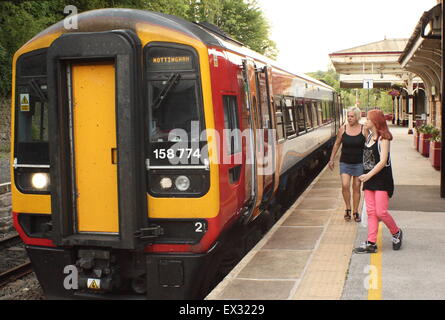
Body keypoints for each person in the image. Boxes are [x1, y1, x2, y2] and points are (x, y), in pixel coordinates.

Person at [353, 109, 403, 254]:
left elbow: (383, 161)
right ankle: (371, 243)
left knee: (381, 212)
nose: (365, 121)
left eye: (367, 119)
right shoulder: (368, 137)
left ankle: (396, 232)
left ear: (375, 122)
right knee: (371, 212)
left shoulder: (384, 139)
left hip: (381, 180)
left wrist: (367, 176)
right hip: (369, 180)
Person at [329, 107, 368, 222]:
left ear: (357, 117)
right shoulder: (343, 129)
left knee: (356, 187)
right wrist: (331, 159)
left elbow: (370, 145)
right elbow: (336, 144)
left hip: (359, 163)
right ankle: (348, 208)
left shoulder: (363, 129)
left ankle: (355, 211)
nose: (349, 118)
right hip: (345, 162)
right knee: (345, 185)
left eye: (352, 116)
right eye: (348, 116)